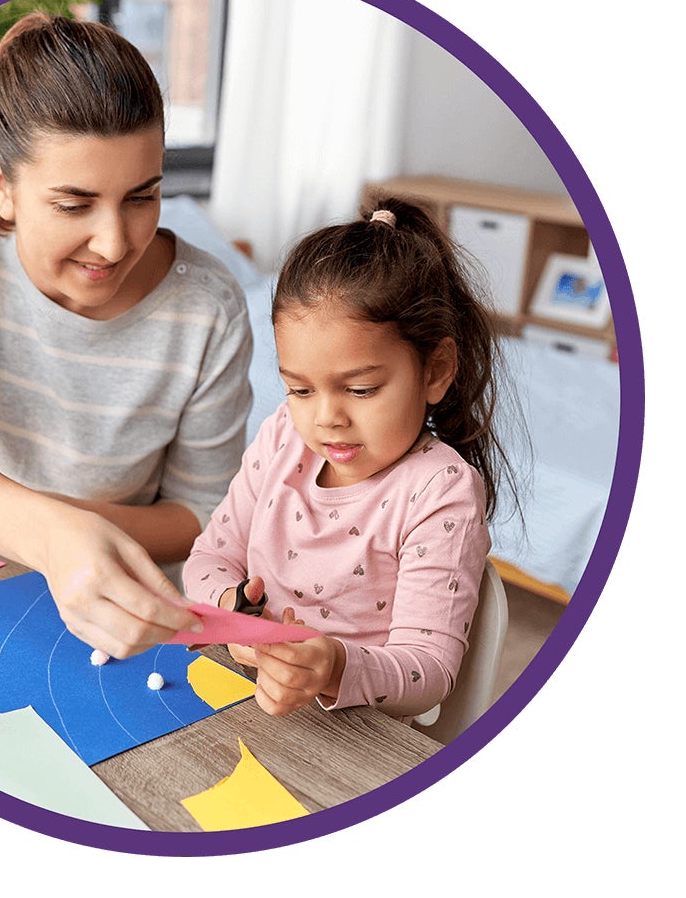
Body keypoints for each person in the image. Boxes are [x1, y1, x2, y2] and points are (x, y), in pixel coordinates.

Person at [0, 13, 253, 659]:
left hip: (120, 620)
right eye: (74, 204)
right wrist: (50, 532)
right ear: (2, 185)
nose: (115, 243)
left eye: (142, 196)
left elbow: (204, 516)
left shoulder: (210, 308)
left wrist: (70, 535)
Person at [183, 198, 514, 720]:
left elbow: (429, 672)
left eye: (360, 390)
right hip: (245, 698)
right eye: (300, 389)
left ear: (436, 371)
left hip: (360, 736)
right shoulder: (280, 439)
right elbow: (207, 560)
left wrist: (333, 665)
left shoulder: (440, 491)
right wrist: (232, 612)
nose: (326, 419)